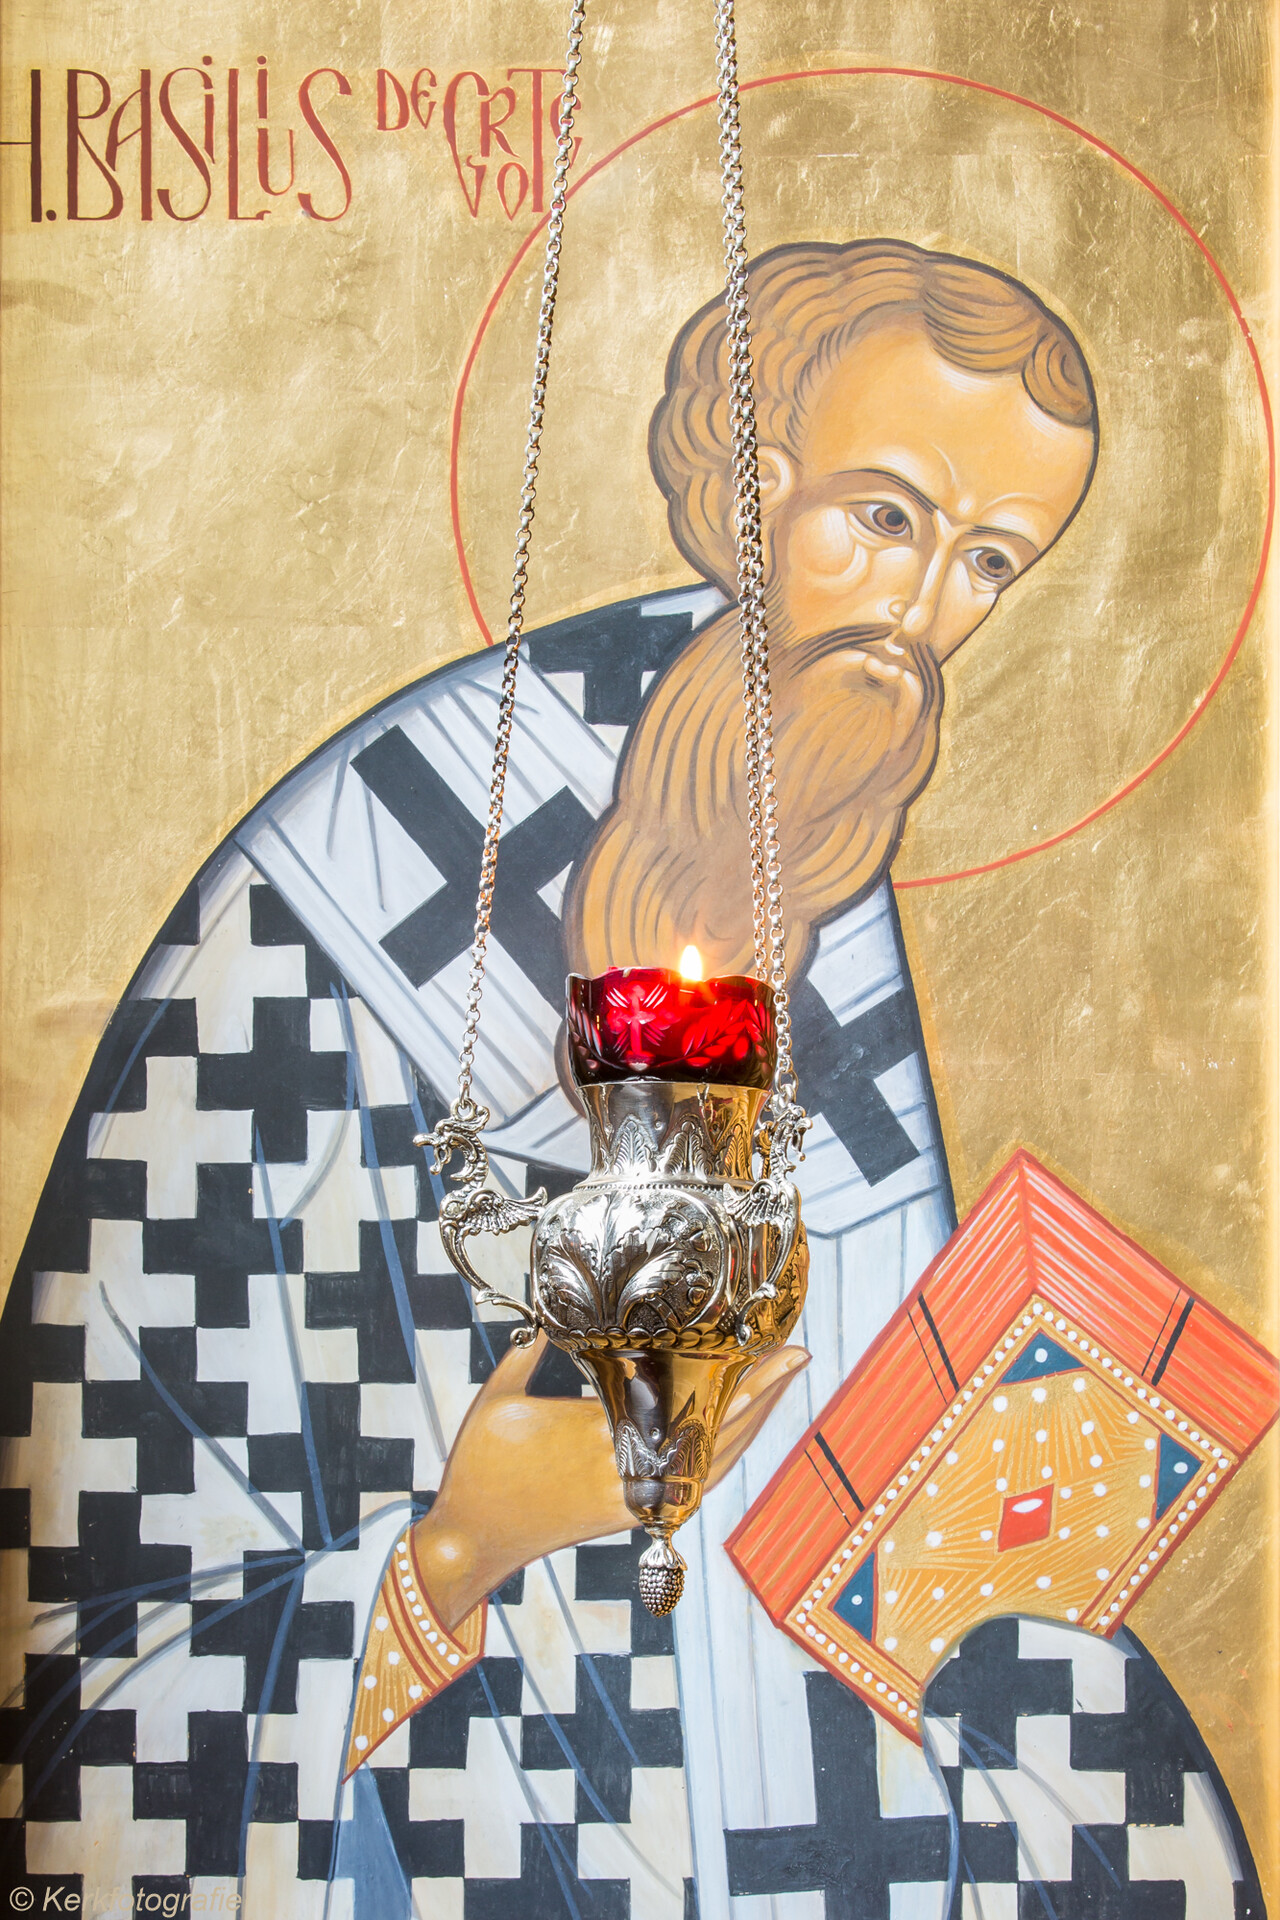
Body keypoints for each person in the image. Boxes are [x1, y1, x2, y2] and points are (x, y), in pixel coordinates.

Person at [27, 239, 1251, 1920]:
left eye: (988, 561)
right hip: (462, 1825)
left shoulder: (823, 817)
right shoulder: (377, 856)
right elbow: (111, 1624)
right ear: (757, 481)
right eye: (884, 517)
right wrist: (466, 1545)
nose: (918, 612)